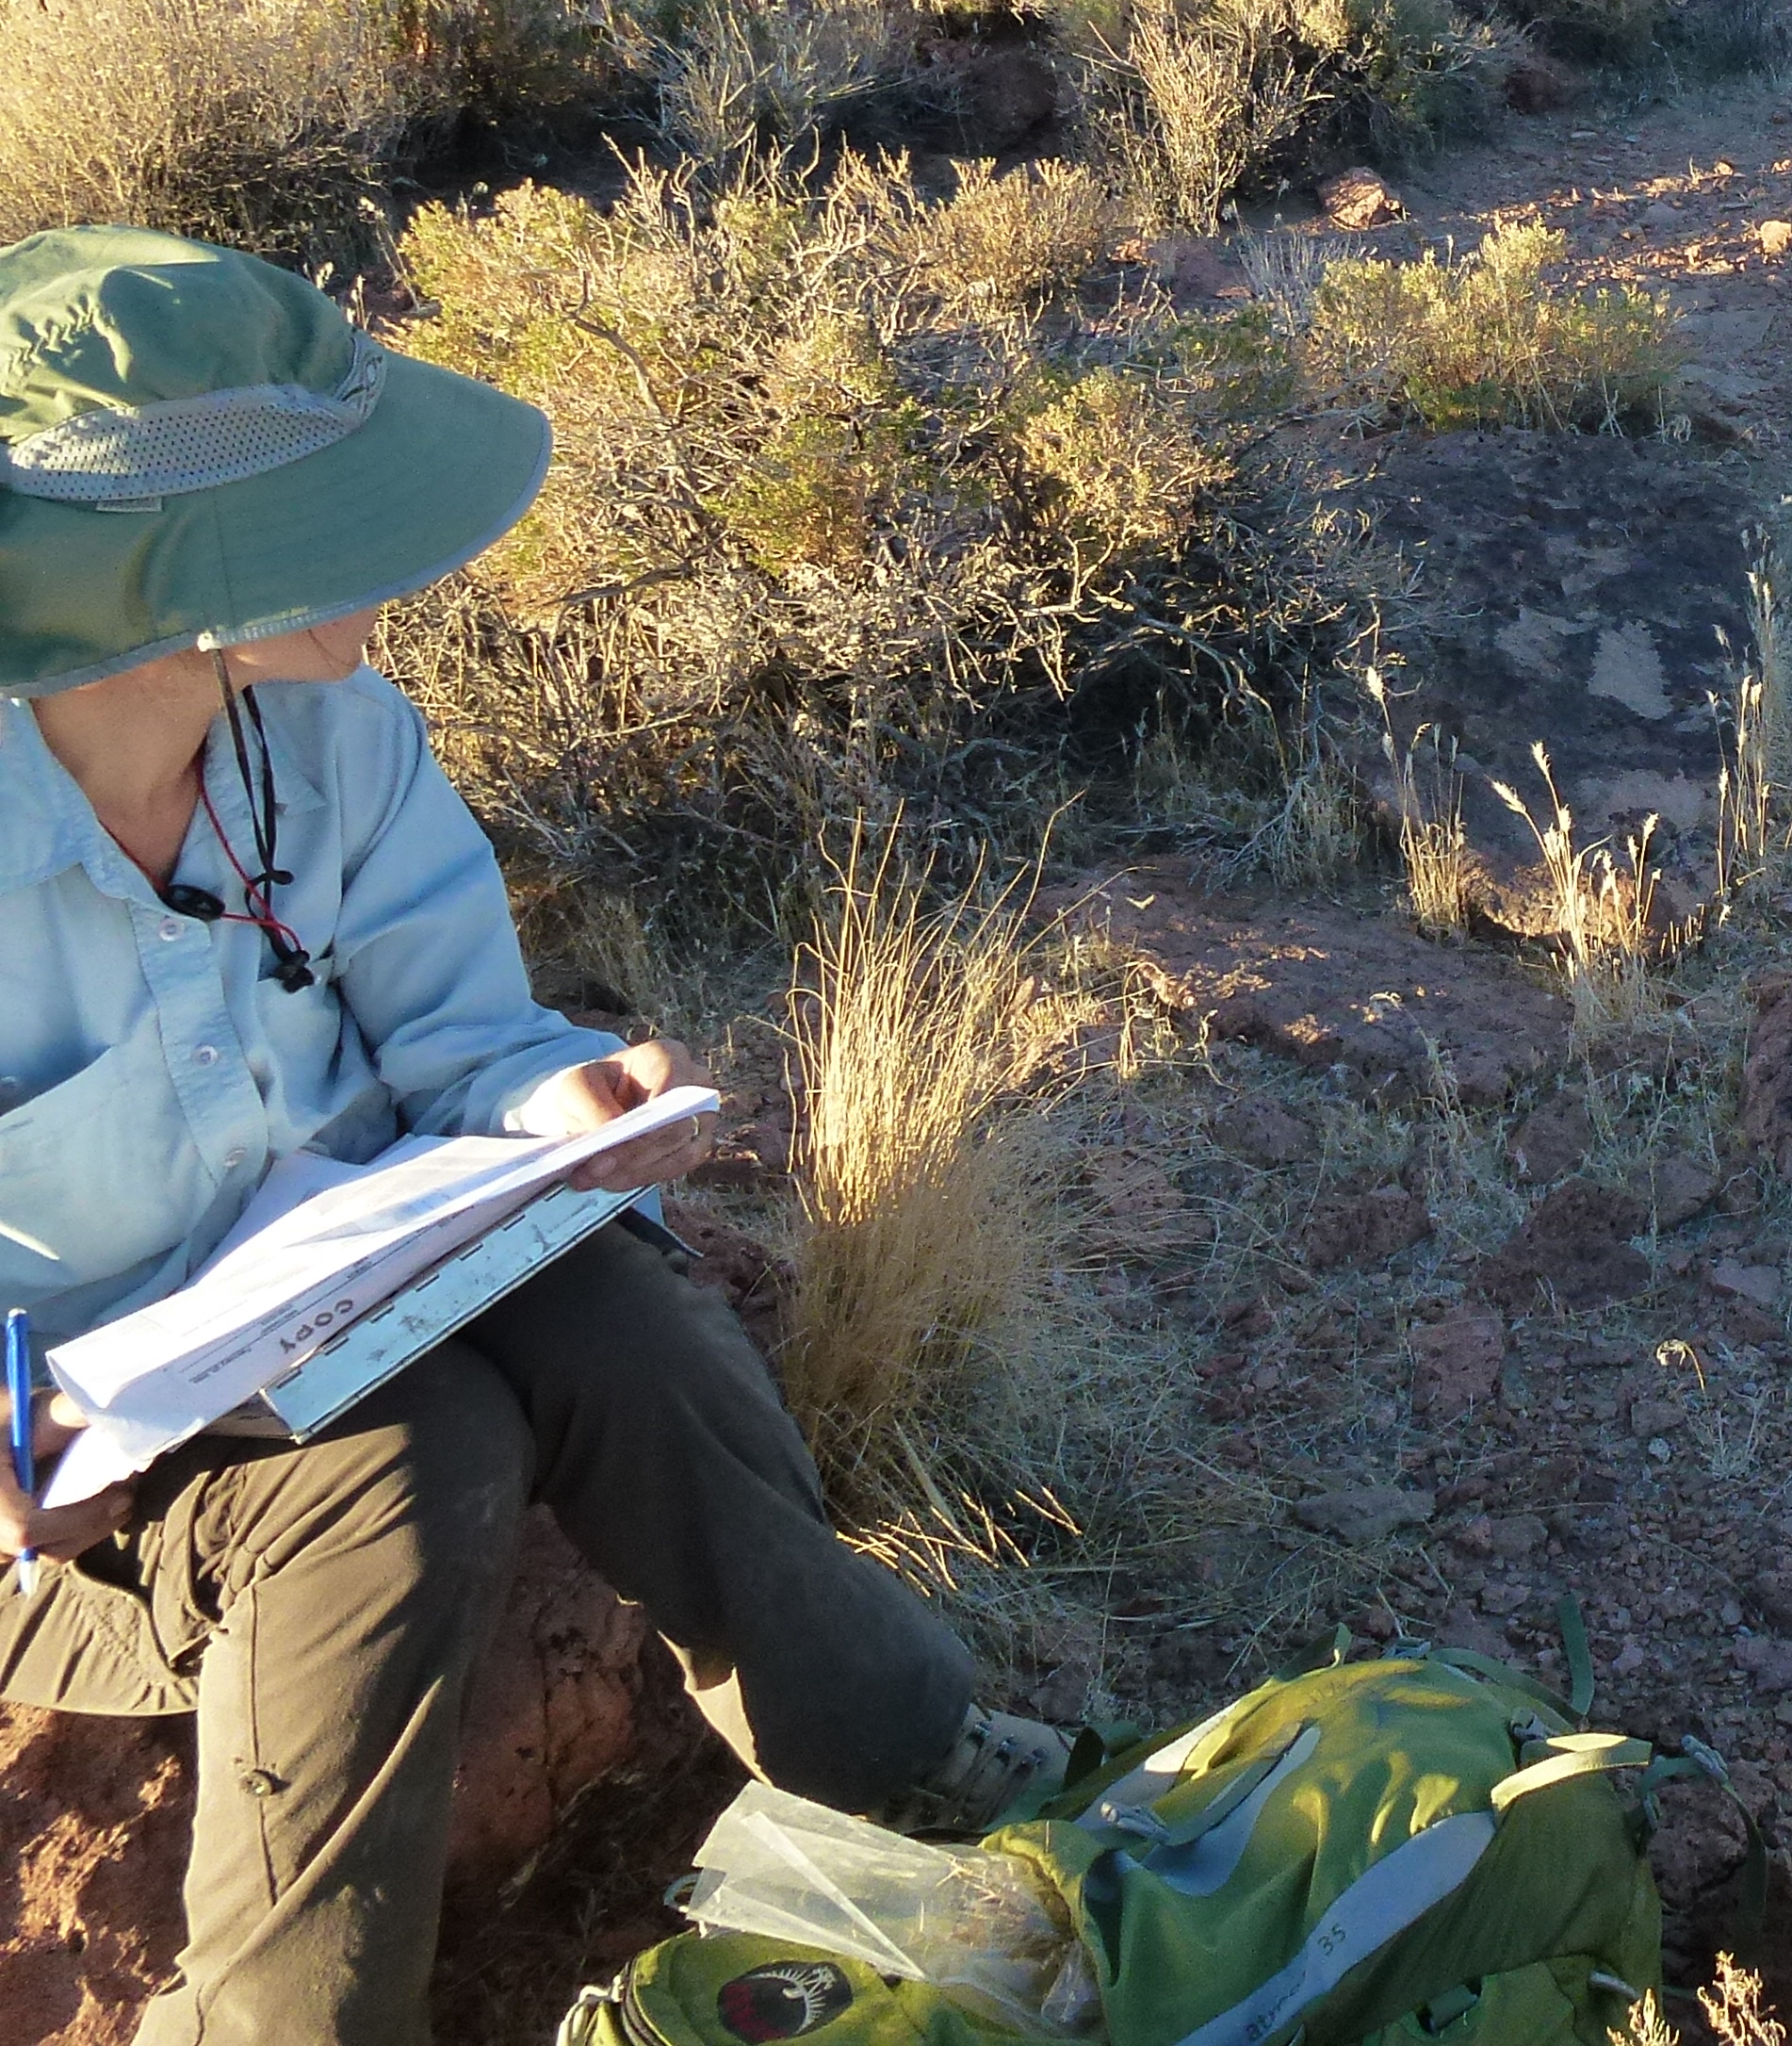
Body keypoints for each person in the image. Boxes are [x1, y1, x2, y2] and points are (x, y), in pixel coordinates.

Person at [0, 227, 1067, 2046]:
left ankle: (897, 1753)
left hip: (319, 1298)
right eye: (319, 517)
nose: (390, 559)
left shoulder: (330, 737)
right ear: (164, 579)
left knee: (612, 1311)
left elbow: (461, 1035)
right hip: (70, 1488)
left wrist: (547, 1098)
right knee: (406, 1461)